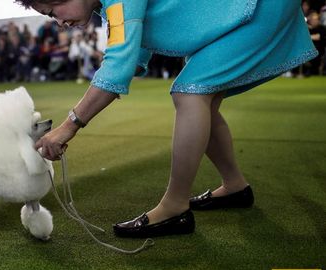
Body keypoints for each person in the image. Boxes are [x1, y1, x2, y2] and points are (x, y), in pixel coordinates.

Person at [16, 0, 318, 238]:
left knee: (190, 94)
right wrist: (117, 71)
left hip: (259, 5)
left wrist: (69, 126)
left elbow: (119, 64)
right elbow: (132, 57)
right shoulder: (108, 8)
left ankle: (175, 206)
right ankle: (235, 186)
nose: (60, 22)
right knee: (200, 98)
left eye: (53, 10)